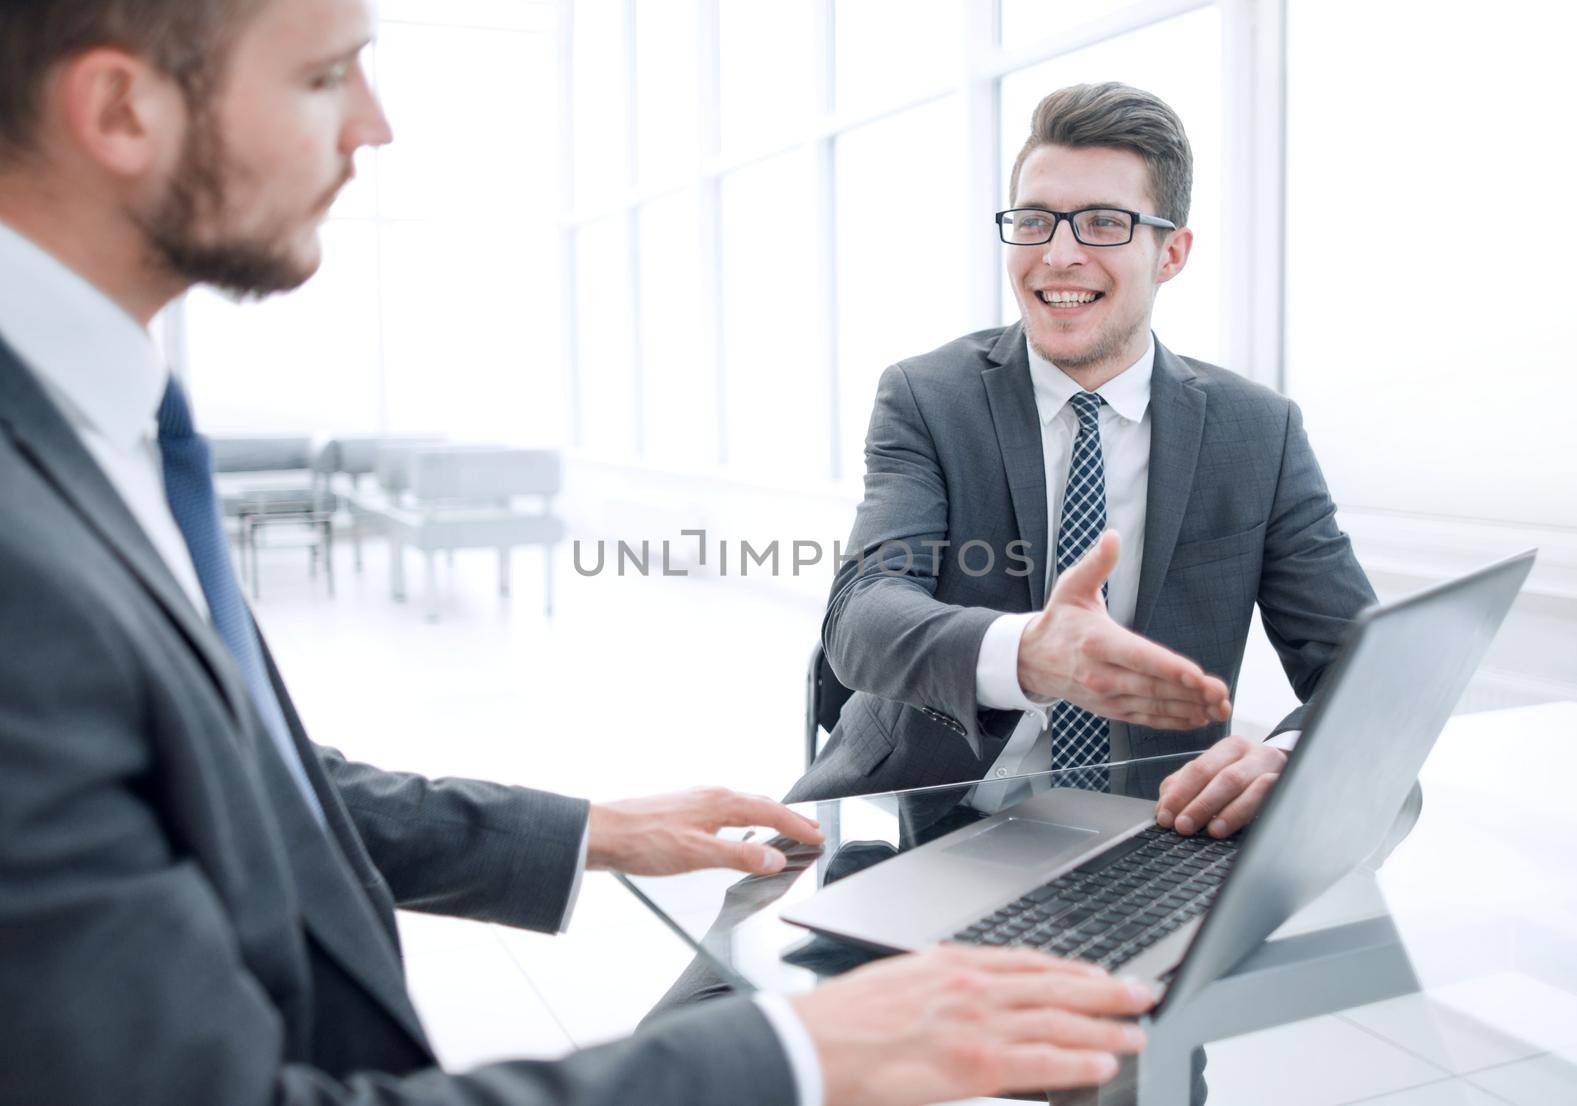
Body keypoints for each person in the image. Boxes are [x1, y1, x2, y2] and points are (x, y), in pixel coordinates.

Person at [0, 3, 1156, 1105]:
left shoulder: (99, 434)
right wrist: (792, 1057)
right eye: (319, 75)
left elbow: (238, 775)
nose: (374, 123)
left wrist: (584, 830)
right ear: (119, 110)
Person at [787, 82, 1376, 840]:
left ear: (1172, 253)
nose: (1058, 254)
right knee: (725, 964)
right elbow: (861, 615)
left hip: (1162, 830)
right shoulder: (928, 398)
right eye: (1034, 221)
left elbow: (1358, 664)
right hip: (933, 817)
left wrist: (1296, 754)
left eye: (1103, 223)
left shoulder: (1259, 432)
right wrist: (1028, 655)